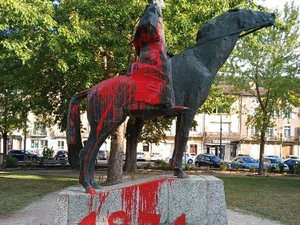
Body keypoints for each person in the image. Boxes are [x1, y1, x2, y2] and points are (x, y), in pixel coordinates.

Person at [127, 0, 187, 111]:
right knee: (165, 68)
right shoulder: (153, 10)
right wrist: (155, 37)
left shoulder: (153, 12)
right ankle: (166, 102)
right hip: (153, 52)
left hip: (154, 51)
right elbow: (150, 32)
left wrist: (167, 52)